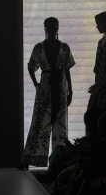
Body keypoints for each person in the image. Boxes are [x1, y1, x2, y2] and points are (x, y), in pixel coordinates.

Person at [19, 17, 75, 169]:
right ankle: (29, 158)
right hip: (44, 89)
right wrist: (36, 83)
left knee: (60, 125)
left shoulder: (64, 48)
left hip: (60, 89)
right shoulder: (38, 48)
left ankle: (59, 161)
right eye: (49, 26)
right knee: (38, 122)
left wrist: (70, 90)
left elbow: (67, 70)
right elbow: (30, 66)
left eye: (54, 26)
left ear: (58, 28)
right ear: (45, 28)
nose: (52, 29)